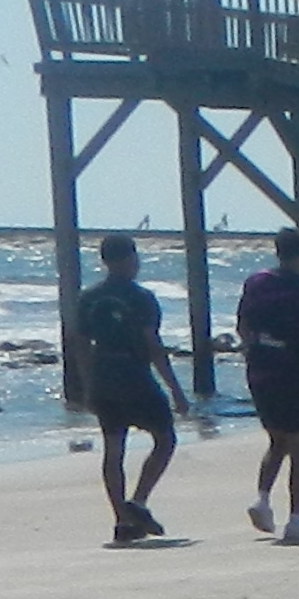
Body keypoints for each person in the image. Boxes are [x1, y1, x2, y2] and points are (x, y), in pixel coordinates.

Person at [76, 233, 176, 543]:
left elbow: (80, 344)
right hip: (133, 373)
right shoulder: (141, 297)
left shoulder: (88, 298)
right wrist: (175, 389)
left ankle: (122, 519)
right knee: (164, 438)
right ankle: (138, 501)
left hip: (103, 374)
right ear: (130, 259)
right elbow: (152, 345)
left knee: (113, 448)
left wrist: (86, 382)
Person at [236, 232, 299, 542]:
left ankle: (262, 500)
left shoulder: (256, 282)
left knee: (277, 439)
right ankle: (296, 519)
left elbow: (243, 327)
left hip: (261, 366)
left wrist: (253, 352)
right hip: (292, 368)